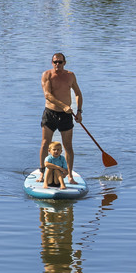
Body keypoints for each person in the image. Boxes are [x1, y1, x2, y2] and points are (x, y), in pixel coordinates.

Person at [41, 52, 83, 180]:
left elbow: (78, 94)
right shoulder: (47, 75)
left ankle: (70, 175)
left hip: (66, 116)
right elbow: (47, 95)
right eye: (55, 62)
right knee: (45, 143)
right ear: (52, 63)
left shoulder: (70, 76)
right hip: (50, 113)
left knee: (68, 146)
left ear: (64, 63)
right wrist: (64, 106)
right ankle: (42, 172)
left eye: (60, 62)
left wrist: (79, 112)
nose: (57, 64)